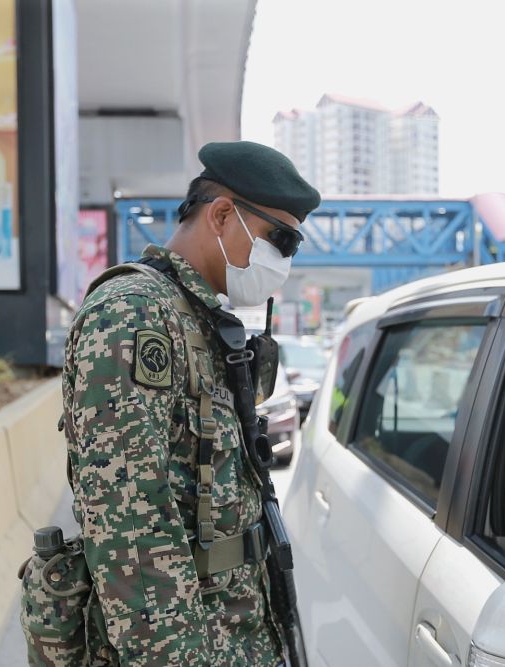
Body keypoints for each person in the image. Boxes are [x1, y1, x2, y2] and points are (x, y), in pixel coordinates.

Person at [41, 141, 319, 665]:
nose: (282, 260)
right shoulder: (132, 314)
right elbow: (128, 527)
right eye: (279, 240)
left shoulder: (197, 318)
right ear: (220, 214)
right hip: (186, 648)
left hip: (233, 634)